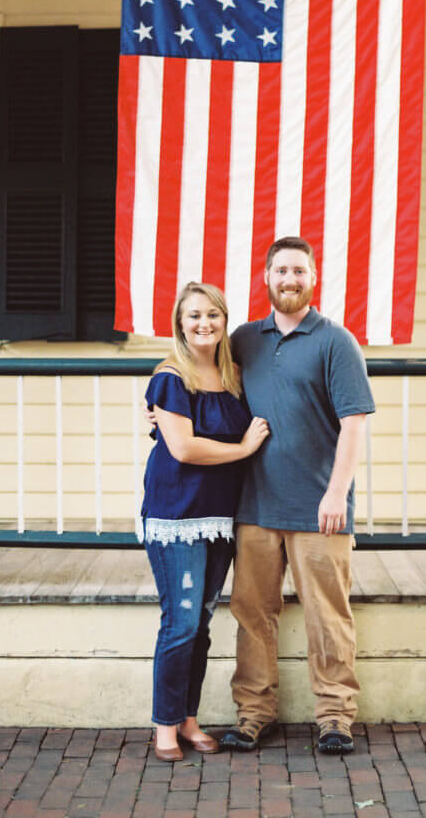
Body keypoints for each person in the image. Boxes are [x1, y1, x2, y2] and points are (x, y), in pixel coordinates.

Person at [220, 236, 375, 755]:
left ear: (313, 279)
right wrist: (159, 406)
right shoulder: (243, 340)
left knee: (327, 616)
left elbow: (354, 423)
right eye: (281, 270)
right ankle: (253, 713)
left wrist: (337, 493)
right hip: (255, 506)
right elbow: (198, 373)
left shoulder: (336, 340)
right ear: (266, 278)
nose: (289, 279)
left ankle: (334, 716)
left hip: (319, 508)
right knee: (252, 614)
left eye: (299, 271)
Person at [141, 281, 269, 762]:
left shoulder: (234, 373)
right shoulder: (171, 377)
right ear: (180, 322)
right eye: (194, 316)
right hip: (178, 515)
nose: (204, 324)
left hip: (221, 517)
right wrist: (242, 449)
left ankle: (189, 718)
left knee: (202, 622)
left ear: (224, 321)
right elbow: (183, 447)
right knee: (180, 623)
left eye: (213, 315)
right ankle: (164, 726)